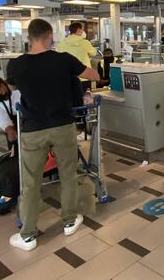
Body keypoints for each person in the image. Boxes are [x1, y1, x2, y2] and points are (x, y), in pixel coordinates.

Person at [6, 19, 100, 251]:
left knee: (30, 183)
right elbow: (95, 75)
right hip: (62, 126)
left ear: (29, 37)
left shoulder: (16, 65)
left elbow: (12, 87)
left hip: (32, 129)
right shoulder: (62, 59)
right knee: (68, 175)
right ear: (49, 35)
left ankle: (27, 235)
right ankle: (69, 221)